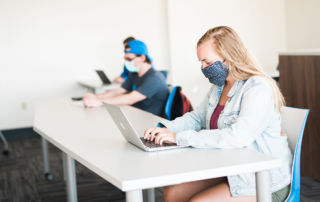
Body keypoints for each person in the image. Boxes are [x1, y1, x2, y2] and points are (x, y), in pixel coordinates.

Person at [144, 26, 292, 202]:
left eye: (207, 62)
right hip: (230, 168)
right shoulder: (219, 87)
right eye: (201, 63)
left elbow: (238, 137)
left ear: (228, 57)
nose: (203, 68)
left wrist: (180, 138)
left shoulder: (257, 88)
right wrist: (164, 129)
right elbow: (197, 117)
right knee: (173, 192)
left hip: (263, 181)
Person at [83, 40, 169, 117]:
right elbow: (118, 91)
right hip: (134, 114)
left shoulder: (155, 78)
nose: (127, 62)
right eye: (125, 59)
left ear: (142, 58)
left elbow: (129, 99)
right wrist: (95, 96)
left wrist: (99, 102)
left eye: (129, 59)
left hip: (149, 121)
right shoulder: (134, 74)